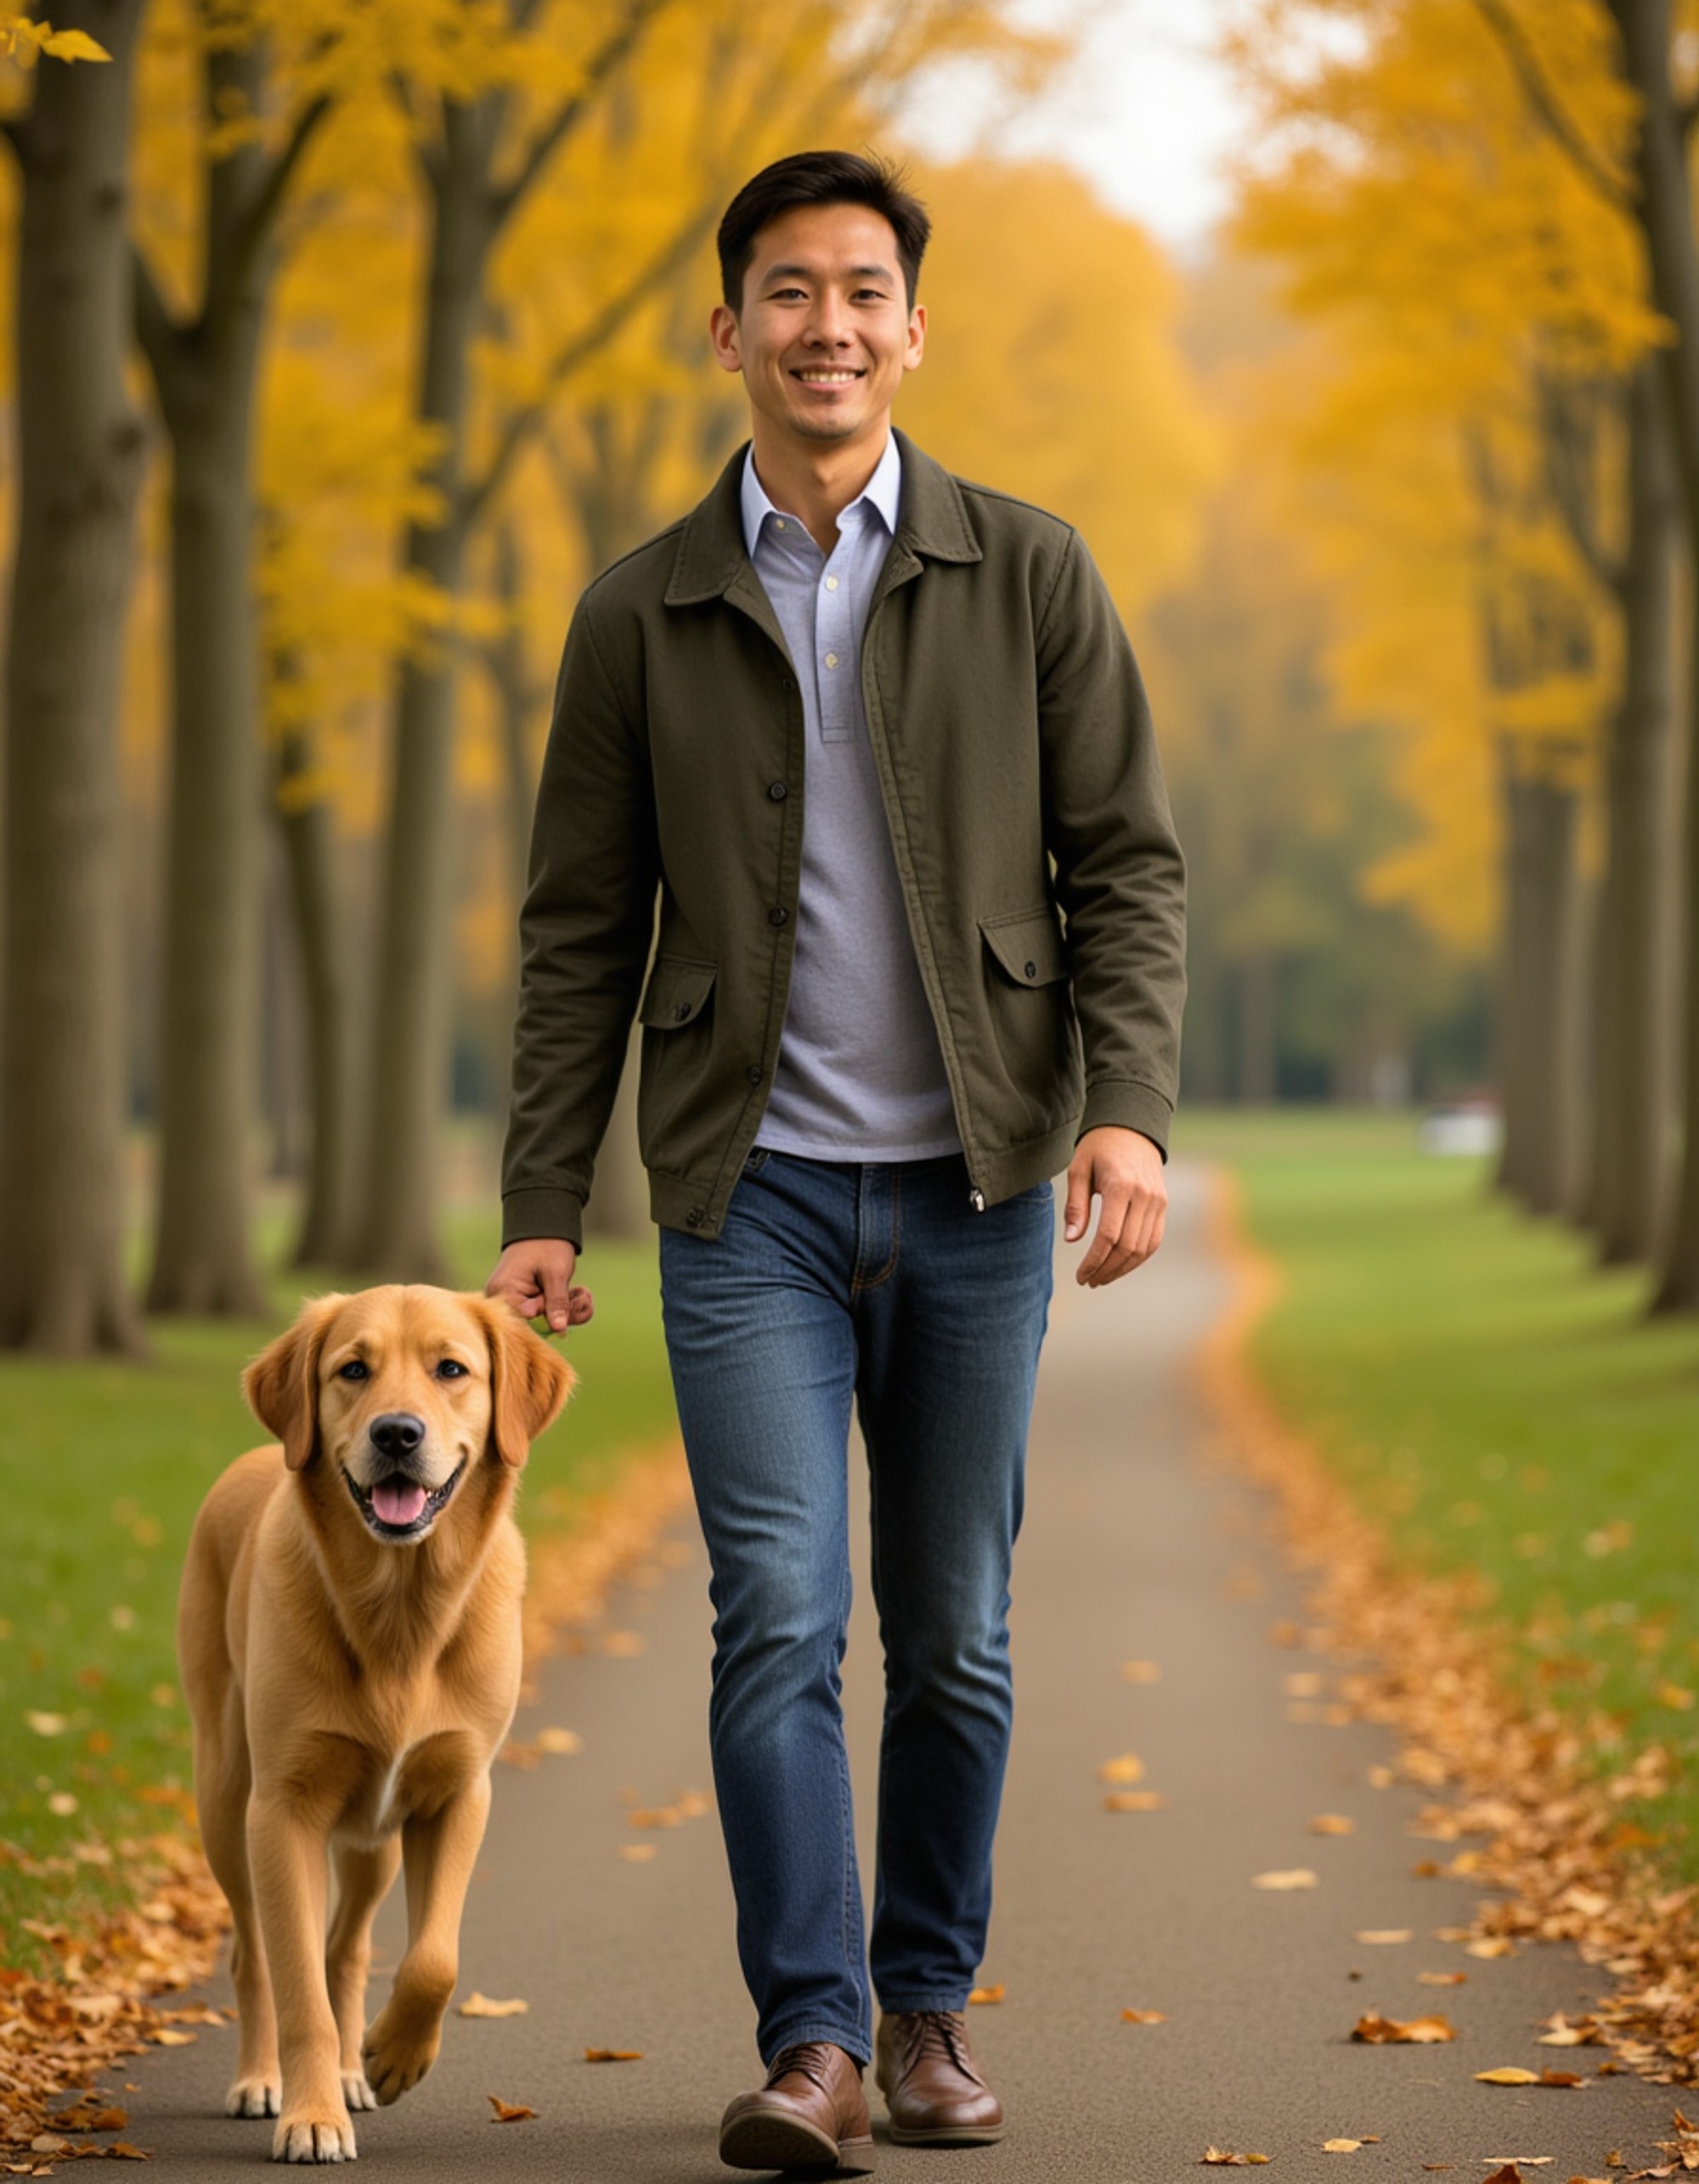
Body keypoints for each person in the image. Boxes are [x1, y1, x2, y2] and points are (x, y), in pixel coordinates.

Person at [487, 150, 1186, 2174]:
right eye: (786, 291)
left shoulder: (1025, 571)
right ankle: (810, 2041)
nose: (826, 325)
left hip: (975, 1189)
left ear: (912, 325)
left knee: (951, 1626)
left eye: (863, 290)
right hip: (749, 1193)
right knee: (776, 1611)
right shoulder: (642, 610)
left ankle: (927, 2007)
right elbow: (575, 926)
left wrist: (1124, 1104)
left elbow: (1124, 866)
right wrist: (544, 1193)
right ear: (728, 328)